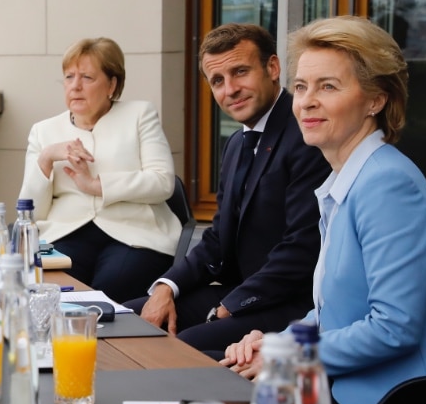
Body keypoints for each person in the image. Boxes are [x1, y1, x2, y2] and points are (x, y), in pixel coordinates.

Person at [221, 16, 426, 404]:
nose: (306, 101)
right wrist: (278, 342)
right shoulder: (346, 179)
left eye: (327, 86)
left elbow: (393, 328)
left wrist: (285, 356)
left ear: (376, 100)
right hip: (347, 389)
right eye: (300, 87)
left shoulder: (387, 184)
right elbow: (334, 314)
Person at [125, 24, 330, 354]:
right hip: (240, 293)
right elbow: (218, 238)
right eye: (217, 81)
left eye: (240, 72)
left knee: (179, 351)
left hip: (291, 305)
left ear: (273, 68)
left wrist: (228, 307)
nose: (230, 89)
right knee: (123, 320)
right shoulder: (236, 143)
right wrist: (167, 287)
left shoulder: (305, 136)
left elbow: (302, 249)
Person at [17, 37, 180, 303]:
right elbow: (30, 213)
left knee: (109, 291)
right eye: (69, 77)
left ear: (112, 84)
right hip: (65, 233)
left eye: (87, 77)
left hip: (135, 234)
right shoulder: (44, 131)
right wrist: (47, 157)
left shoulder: (139, 115)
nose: (75, 86)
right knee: (55, 289)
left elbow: (162, 182)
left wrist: (96, 185)